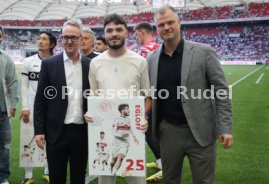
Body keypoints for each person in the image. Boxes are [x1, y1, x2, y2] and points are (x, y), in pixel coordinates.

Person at [147, 6, 233, 184]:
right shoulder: (151, 59)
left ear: (179, 23)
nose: (166, 27)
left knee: (203, 181)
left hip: (201, 131)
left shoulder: (204, 52)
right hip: (168, 131)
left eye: (170, 22)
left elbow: (221, 91)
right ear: (156, 29)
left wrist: (224, 128)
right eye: (161, 24)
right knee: (170, 180)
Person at [84, 13, 151, 184]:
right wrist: (89, 114)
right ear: (105, 34)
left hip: (133, 129)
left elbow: (148, 97)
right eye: (110, 30)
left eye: (119, 29)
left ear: (126, 32)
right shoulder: (96, 63)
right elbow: (93, 96)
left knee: (136, 179)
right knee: (106, 178)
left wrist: (143, 116)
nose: (114, 34)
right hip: (105, 130)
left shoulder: (140, 61)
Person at [33, 19, 90, 184]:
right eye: (66, 37)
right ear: (61, 39)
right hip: (55, 132)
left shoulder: (90, 65)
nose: (69, 41)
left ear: (81, 39)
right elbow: (40, 100)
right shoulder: (49, 64)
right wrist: (39, 130)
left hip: (81, 132)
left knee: (78, 177)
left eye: (73, 37)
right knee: (56, 178)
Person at [20, 31, 57, 184]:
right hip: (31, 109)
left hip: (50, 110)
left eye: (44, 39)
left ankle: (47, 171)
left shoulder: (57, 62)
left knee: (51, 140)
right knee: (28, 140)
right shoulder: (28, 62)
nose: (40, 41)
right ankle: (28, 176)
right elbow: (24, 86)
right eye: (39, 38)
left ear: (52, 44)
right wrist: (25, 107)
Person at [134, 22, 162, 182]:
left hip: (147, 96)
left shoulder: (146, 50)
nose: (136, 38)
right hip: (159, 94)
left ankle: (163, 164)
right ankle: (160, 161)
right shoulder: (157, 46)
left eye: (136, 34)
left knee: (148, 131)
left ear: (142, 32)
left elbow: (139, 75)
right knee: (150, 131)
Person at [0, 25, 19, 184]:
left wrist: (13, 104)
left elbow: (13, 83)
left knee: (4, 145)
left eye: (0, 36)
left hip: (2, 111)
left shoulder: (6, 58)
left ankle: (2, 177)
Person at [110, 104, 139, 174]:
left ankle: (113, 172)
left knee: (121, 158)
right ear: (122, 111)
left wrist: (134, 137)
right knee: (113, 161)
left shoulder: (128, 120)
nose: (129, 111)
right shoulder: (116, 119)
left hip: (125, 143)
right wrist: (121, 135)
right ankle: (111, 168)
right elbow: (113, 131)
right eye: (127, 109)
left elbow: (130, 128)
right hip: (116, 143)